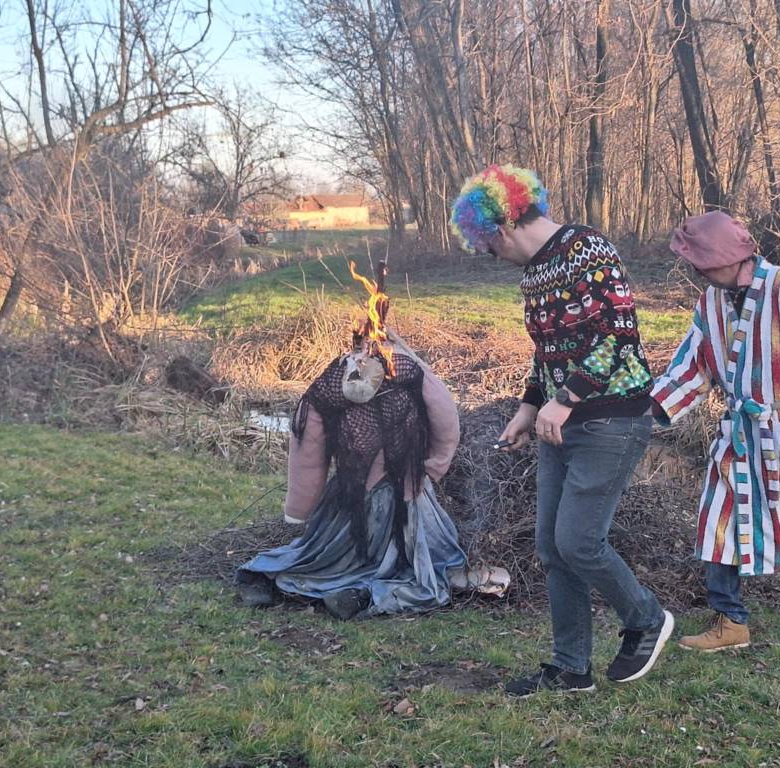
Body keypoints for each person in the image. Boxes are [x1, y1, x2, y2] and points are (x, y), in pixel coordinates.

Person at [449, 164, 674, 696]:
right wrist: (530, 407)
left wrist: (565, 399)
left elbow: (616, 335)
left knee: (579, 541)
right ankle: (572, 668)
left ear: (503, 226)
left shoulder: (587, 250)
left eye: (487, 245)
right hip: (561, 423)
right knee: (553, 547)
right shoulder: (535, 273)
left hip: (612, 418)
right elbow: (548, 351)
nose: (491, 256)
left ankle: (646, 618)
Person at [651, 211, 780, 650]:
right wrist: (652, 407)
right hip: (739, 434)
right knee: (718, 522)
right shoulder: (710, 303)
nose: (697, 272)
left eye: (702, 262)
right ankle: (730, 621)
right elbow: (693, 367)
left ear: (726, 256)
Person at [236, 336, 470, 619]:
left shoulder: (340, 380)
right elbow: (446, 422)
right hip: (384, 496)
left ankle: (352, 592)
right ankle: (360, 593)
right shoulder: (407, 372)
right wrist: (433, 468)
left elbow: (307, 449)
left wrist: (299, 510)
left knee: (336, 556)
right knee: (420, 564)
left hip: (379, 496)